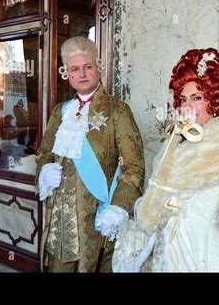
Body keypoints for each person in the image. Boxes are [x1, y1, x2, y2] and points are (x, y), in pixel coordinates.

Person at [112, 48, 219, 272]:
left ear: (214, 99)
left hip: (203, 258)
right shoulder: (174, 141)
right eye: (183, 99)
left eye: (197, 98)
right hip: (165, 255)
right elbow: (154, 201)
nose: (187, 107)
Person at [36, 37, 145, 272]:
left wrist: (118, 207)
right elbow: (44, 152)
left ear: (98, 68)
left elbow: (134, 166)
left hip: (96, 220)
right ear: (67, 74)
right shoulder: (60, 111)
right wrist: (44, 170)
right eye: (75, 69)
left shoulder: (118, 111)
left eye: (88, 67)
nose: (82, 74)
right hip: (59, 221)